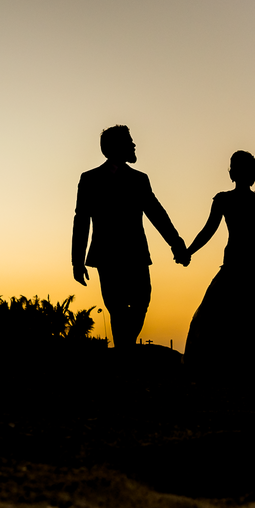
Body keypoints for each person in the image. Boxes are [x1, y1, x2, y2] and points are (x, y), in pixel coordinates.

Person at [71, 125, 190, 347]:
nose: (134, 145)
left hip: (136, 254)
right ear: (116, 147)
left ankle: (125, 348)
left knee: (141, 301)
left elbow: (157, 214)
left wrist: (177, 244)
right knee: (115, 307)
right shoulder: (90, 179)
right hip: (107, 255)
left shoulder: (140, 179)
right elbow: (81, 220)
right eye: (129, 141)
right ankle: (125, 354)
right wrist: (77, 262)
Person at [183, 151, 255, 376]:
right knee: (222, 310)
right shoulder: (224, 200)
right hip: (237, 265)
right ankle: (233, 364)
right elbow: (209, 230)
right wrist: (189, 251)